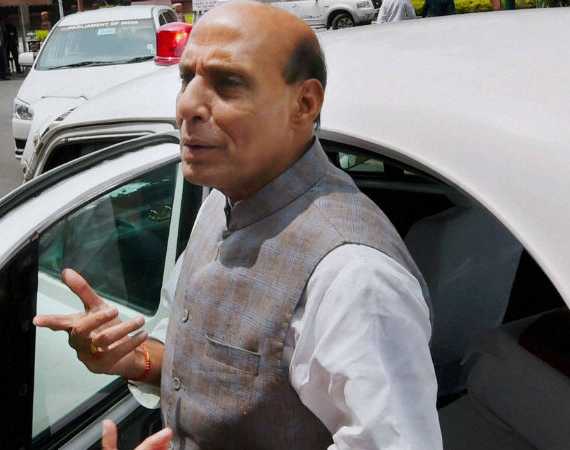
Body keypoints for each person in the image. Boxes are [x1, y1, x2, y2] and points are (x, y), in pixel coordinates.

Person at [34, 2, 442, 449]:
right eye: (186, 78)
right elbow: (204, 364)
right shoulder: (222, 200)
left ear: (304, 104)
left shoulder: (355, 276)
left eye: (227, 82)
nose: (187, 105)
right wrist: (132, 359)